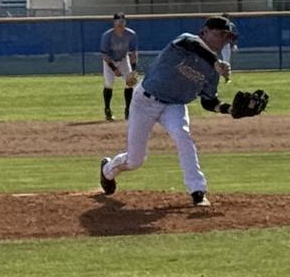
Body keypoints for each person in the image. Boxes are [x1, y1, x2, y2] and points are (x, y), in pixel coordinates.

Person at [97, 16, 242, 208]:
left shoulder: (214, 70)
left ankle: (198, 192)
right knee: (135, 160)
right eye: (221, 34)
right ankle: (108, 170)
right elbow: (192, 44)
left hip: (175, 105)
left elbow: (209, 101)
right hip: (145, 101)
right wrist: (214, 61)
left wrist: (231, 110)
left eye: (228, 36)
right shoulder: (185, 42)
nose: (224, 40)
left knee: (184, 138)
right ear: (205, 31)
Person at [98, 13, 139, 121]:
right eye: (118, 21)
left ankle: (128, 111)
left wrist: (134, 69)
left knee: (130, 83)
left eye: (123, 21)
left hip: (123, 59)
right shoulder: (107, 35)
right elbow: (104, 55)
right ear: (114, 22)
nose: (121, 23)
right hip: (109, 61)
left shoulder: (131, 34)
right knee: (108, 84)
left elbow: (133, 53)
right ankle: (107, 109)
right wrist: (114, 68)